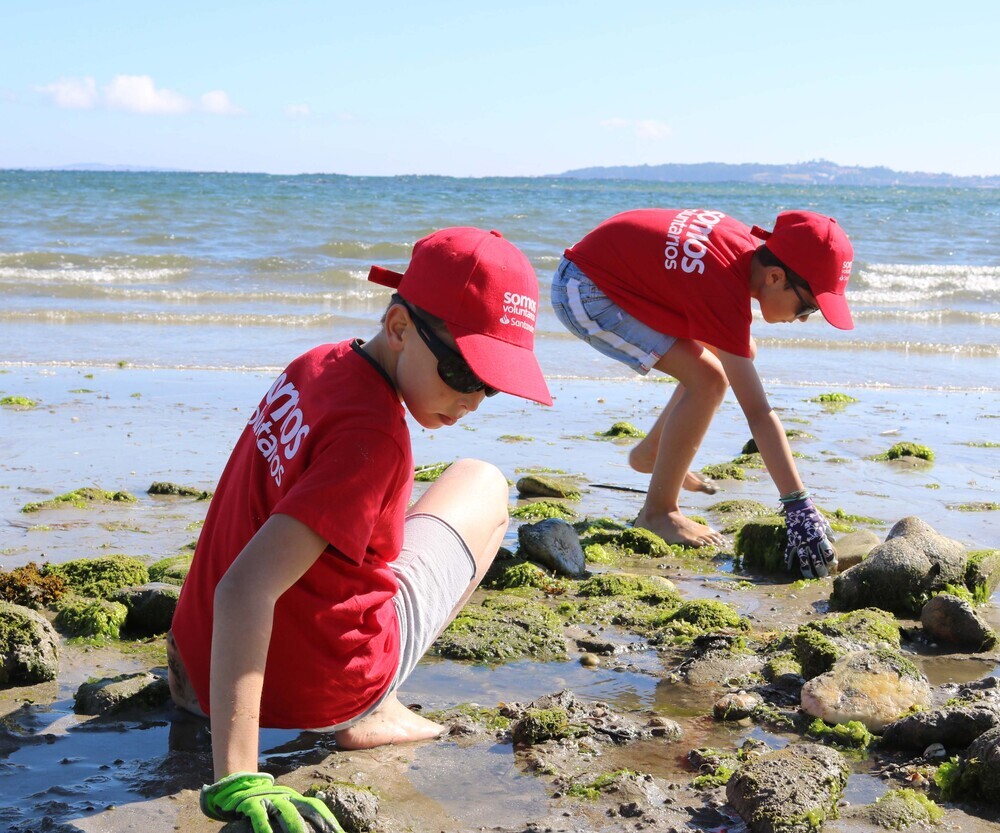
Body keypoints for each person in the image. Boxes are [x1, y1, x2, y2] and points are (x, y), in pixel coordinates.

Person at [167, 227, 552, 833]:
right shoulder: (374, 438)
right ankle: (371, 709)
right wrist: (238, 778)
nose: (473, 398)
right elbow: (244, 589)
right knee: (482, 481)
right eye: (460, 370)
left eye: (492, 382)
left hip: (195, 669)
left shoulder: (314, 365)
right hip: (313, 697)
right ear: (399, 327)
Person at [551, 208, 853, 573]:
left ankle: (652, 453)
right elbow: (758, 413)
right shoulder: (723, 286)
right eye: (809, 306)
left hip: (618, 277)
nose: (804, 318)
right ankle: (658, 513)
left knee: (737, 356)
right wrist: (797, 504)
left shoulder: (739, 251)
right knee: (708, 381)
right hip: (586, 291)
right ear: (775, 276)